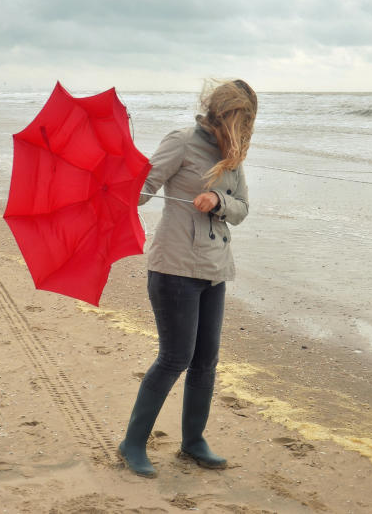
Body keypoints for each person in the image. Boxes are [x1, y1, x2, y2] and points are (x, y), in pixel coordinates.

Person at [118, 79, 257, 478]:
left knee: (205, 362)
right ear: (221, 113)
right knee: (175, 358)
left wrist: (218, 201)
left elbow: (243, 208)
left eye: (247, 122)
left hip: (215, 270)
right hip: (174, 267)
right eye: (238, 119)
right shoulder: (181, 141)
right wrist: (122, 174)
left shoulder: (232, 155)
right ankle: (132, 444)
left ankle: (193, 442)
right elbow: (142, 190)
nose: (243, 129)